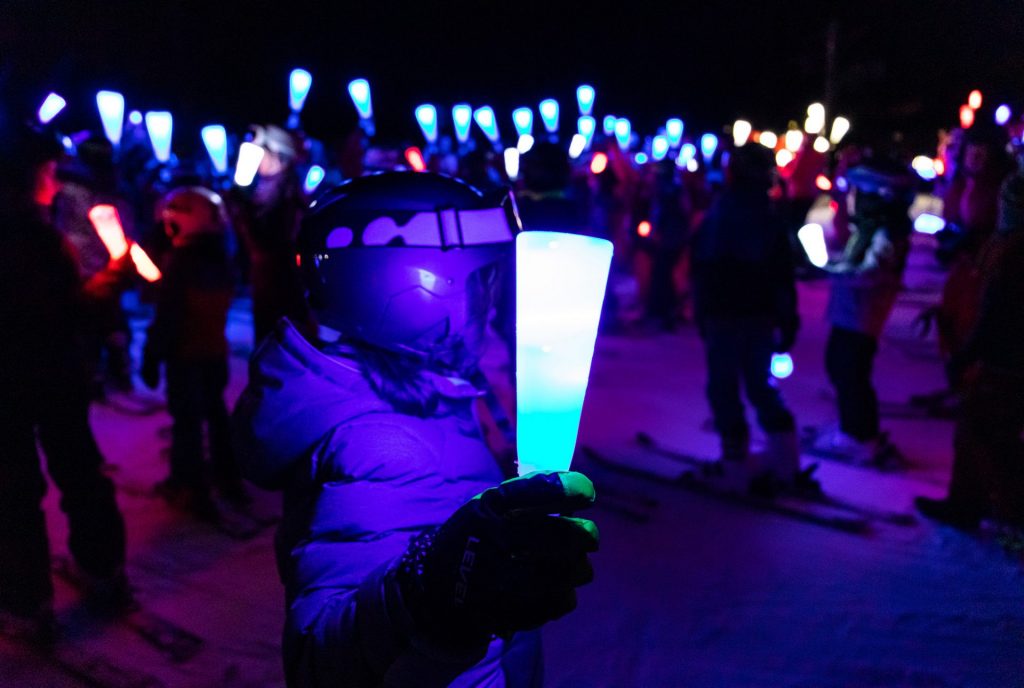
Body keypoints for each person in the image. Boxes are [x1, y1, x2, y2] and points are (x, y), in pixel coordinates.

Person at [232, 172, 599, 687]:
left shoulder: (418, 397)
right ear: (414, 288)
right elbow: (320, 664)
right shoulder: (381, 445)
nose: (491, 304)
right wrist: (429, 595)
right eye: (481, 281)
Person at [0, 128, 132, 643]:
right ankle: (93, 573)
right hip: (45, 373)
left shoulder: (35, 232)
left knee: (21, 486)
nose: (55, 183)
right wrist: (112, 281)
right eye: (50, 173)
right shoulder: (32, 239)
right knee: (56, 476)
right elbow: (62, 311)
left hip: (33, 376)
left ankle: (27, 595)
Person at [915, 150, 1024, 529]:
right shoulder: (1001, 242)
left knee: (988, 436)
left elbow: (995, 311)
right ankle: (972, 503)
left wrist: (966, 354)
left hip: (1004, 360)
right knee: (984, 433)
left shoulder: (1012, 251)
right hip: (1000, 355)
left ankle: (1005, 514)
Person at [690, 144, 801, 490]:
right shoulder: (770, 218)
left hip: (726, 312)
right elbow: (783, 274)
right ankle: (786, 460)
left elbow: (704, 267)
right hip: (759, 314)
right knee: (760, 385)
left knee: (724, 386)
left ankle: (735, 457)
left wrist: (702, 310)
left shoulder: (720, 213)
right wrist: (787, 316)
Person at [141, 186, 245, 519]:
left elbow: (169, 314)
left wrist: (152, 355)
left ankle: (189, 485)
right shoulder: (221, 258)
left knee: (186, 421)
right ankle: (228, 479)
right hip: (214, 351)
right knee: (216, 415)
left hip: (184, 353)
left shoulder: (182, 263)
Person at [812, 158, 914, 463]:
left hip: (862, 316)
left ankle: (860, 437)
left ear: (879, 196)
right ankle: (852, 427)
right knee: (840, 367)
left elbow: (871, 273)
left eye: (860, 193)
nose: (855, 199)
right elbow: (855, 263)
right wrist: (834, 265)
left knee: (851, 372)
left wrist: (829, 270)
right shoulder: (871, 228)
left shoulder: (887, 233)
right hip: (850, 313)